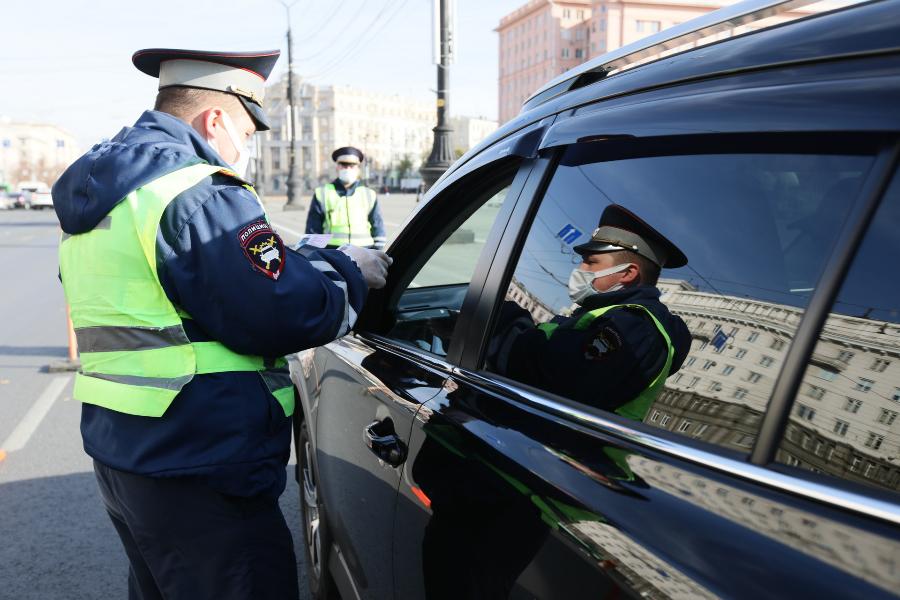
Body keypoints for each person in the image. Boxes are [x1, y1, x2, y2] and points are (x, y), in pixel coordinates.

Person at [52, 48, 391, 600]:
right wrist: (350, 272)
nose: (245, 147)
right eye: (248, 132)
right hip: (202, 455)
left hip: (126, 450)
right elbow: (279, 311)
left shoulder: (109, 191)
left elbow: (176, 294)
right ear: (215, 120)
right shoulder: (194, 187)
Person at [490, 204, 691, 420]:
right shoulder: (609, 315)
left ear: (627, 273)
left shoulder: (633, 325)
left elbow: (546, 377)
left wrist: (496, 318)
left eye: (591, 262)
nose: (580, 270)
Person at [305, 146, 387, 249]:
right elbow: (313, 228)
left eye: (352, 165)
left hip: (365, 251)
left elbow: (377, 225)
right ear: (337, 167)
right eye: (343, 165)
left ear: (358, 168)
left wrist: (377, 251)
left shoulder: (369, 194)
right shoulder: (322, 193)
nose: (347, 168)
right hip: (332, 252)